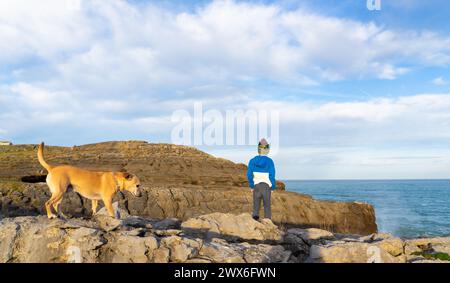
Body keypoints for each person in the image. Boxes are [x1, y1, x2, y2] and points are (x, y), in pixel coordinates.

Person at [247, 138, 276, 220]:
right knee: (267, 206)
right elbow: (272, 175)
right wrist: (272, 187)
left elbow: (249, 175)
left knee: (256, 206)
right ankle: (268, 223)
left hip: (256, 186)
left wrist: (252, 186)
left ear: (258, 149)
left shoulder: (252, 161)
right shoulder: (270, 161)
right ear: (267, 149)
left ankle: (255, 222)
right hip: (266, 186)